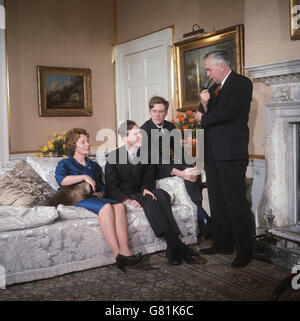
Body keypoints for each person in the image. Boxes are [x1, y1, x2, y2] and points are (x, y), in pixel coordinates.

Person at [105, 120, 206, 265]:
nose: (141, 136)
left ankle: (173, 247)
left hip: (141, 192)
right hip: (124, 194)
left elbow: (148, 178)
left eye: (141, 133)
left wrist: (146, 188)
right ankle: (176, 245)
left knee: (161, 194)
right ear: (125, 138)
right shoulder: (113, 157)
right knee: (150, 199)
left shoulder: (146, 155)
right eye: (136, 134)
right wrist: (127, 200)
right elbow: (111, 187)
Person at [55, 128, 143, 272]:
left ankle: (126, 251)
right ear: (73, 145)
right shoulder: (65, 163)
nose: (88, 145)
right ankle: (118, 255)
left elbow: (102, 188)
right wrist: (83, 177)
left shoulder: (93, 165)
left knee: (120, 206)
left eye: (88, 141)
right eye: (83, 142)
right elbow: (62, 180)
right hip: (75, 198)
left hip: (93, 198)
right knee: (107, 207)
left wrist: (100, 194)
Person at [195, 50, 253, 268]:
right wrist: (206, 105)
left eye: (209, 69)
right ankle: (224, 243)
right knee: (217, 201)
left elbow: (228, 113)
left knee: (235, 202)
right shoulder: (211, 89)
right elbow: (201, 117)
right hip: (212, 153)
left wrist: (207, 115)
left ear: (222, 66)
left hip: (230, 154)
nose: (208, 74)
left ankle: (244, 251)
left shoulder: (242, 84)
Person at [140, 96, 213, 240]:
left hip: (167, 163)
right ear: (150, 111)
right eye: (154, 111)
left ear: (166, 112)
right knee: (185, 173)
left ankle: (200, 213)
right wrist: (181, 173)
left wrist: (191, 168)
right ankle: (204, 218)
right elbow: (156, 160)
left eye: (161, 111)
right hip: (151, 169)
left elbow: (178, 151)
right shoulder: (144, 130)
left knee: (190, 169)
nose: (157, 114)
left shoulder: (169, 126)